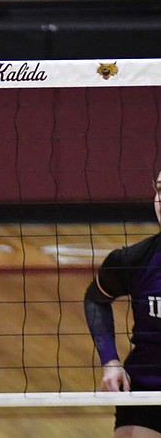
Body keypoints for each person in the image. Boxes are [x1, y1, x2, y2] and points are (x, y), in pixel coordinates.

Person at [84, 169, 161, 437]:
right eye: (160, 191)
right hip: (148, 390)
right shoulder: (134, 260)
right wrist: (110, 361)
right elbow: (95, 300)